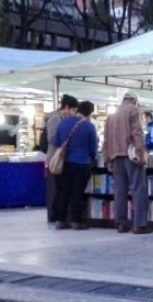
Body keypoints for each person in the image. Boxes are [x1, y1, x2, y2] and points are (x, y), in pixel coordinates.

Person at [104, 92, 151, 234]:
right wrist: (141, 153)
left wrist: (107, 159)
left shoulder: (111, 114)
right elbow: (137, 133)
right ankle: (139, 225)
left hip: (115, 157)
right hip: (131, 156)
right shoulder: (133, 110)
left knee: (120, 191)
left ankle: (121, 223)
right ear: (135, 101)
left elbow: (106, 140)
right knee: (138, 189)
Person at [53, 101, 98, 230]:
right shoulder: (89, 126)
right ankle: (76, 220)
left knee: (64, 191)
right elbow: (92, 149)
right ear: (90, 113)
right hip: (82, 163)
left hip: (66, 163)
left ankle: (61, 219)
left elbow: (57, 142)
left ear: (78, 109)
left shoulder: (63, 123)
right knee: (77, 192)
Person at [45, 95, 79, 223]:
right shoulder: (55, 118)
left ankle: (59, 214)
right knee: (58, 189)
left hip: (62, 157)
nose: (73, 113)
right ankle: (56, 215)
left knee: (61, 188)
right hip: (55, 158)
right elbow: (52, 138)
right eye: (72, 110)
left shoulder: (62, 118)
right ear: (65, 107)